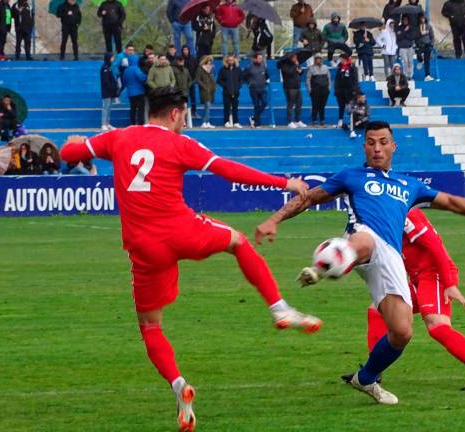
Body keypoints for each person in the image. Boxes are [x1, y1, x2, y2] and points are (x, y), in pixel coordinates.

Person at [60, 86, 321, 431]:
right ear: (174, 114)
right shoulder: (180, 144)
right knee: (238, 242)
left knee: (151, 326)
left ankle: (179, 386)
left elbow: (67, 152)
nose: (184, 121)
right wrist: (282, 181)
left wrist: (75, 140)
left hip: (143, 246)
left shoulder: (118, 138)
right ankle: (280, 309)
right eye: (184, 115)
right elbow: (228, 170)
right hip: (181, 231)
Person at [254, 120, 465, 405]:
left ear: (393, 146)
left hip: (392, 258)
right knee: (365, 241)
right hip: (363, 238)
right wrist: (273, 220)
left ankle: (366, 378)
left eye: (382, 142)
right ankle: (323, 266)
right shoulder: (352, 176)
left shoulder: (409, 185)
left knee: (402, 332)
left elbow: (451, 201)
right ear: (364, 146)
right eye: (371, 142)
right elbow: (308, 199)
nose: (376, 148)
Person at [344, 208, 465, 391]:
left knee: (436, 325)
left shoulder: (407, 214)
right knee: (377, 310)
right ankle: (373, 371)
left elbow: (435, 246)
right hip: (417, 278)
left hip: (435, 275)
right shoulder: (383, 216)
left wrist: (449, 284)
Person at [279, 53, 305, 128]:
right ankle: (290, 121)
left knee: (299, 103)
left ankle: (298, 120)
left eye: (296, 58)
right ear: (290, 58)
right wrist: (296, 66)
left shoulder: (296, 64)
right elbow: (289, 73)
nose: (296, 59)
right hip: (289, 87)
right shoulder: (284, 65)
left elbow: (300, 72)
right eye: (294, 58)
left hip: (297, 86)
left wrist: (300, 70)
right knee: (290, 104)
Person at [244, 52, 269, 128]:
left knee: (264, 102)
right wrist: (249, 83)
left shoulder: (263, 66)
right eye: (259, 58)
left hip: (262, 88)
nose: (260, 60)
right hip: (253, 89)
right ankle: (257, 123)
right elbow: (244, 76)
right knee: (256, 105)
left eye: (261, 58)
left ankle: (254, 118)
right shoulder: (249, 67)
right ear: (254, 59)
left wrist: (264, 81)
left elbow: (267, 75)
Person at [334, 53, 359, 128]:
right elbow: (337, 79)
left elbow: (355, 79)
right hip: (340, 91)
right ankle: (340, 120)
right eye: (340, 59)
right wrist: (336, 89)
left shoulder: (351, 67)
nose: (340, 60)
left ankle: (352, 121)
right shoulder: (339, 67)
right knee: (341, 106)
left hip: (349, 91)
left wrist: (355, 89)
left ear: (345, 59)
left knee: (350, 107)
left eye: (341, 58)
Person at [122, 53, 148, 125]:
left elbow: (124, 81)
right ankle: (140, 123)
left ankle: (132, 123)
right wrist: (146, 76)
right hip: (139, 91)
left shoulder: (126, 70)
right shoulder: (136, 68)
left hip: (130, 92)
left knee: (133, 108)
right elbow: (141, 77)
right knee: (140, 108)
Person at [217, 55, 242, 128]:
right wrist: (225, 86)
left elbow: (241, 79)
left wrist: (238, 86)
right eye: (229, 60)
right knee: (226, 107)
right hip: (226, 92)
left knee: (235, 108)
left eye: (232, 60)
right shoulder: (222, 69)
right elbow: (219, 80)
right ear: (227, 61)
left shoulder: (238, 69)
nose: (231, 61)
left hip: (236, 92)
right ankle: (226, 121)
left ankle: (236, 122)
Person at [306, 55, 330, 126]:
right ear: (315, 60)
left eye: (320, 59)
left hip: (325, 90)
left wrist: (328, 88)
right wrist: (310, 90)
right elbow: (308, 79)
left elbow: (329, 78)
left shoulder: (325, 67)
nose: (318, 60)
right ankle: (314, 120)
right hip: (315, 90)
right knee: (315, 106)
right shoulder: (311, 68)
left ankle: (322, 120)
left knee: (322, 106)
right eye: (317, 59)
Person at [196, 55, 216, 128]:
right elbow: (198, 79)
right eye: (209, 61)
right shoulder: (200, 69)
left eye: (211, 61)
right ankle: (204, 122)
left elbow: (213, 79)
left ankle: (207, 122)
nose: (210, 62)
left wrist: (214, 87)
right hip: (204, 91)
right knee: (207, 106)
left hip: (211, 90)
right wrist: (204, 86)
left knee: (208, 107)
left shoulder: (211, 69)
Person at [100, 52, 118, 131]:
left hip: (111, 92)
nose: (113, 59)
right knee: (106, 107)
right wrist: (111, 87)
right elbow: (105, 80)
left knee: (109, 108)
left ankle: (107, 123)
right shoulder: (104, 68)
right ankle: (103, 124)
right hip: (106, 92)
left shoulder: (109, 67)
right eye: (112, 57)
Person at [415, 15, 435, 81]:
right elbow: (415, 36)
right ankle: (421, 60)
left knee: (427, 61)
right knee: (418, 55)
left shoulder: (428, 26)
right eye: (421, 18)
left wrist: (431, 44)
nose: (422, 19)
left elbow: (432, 36)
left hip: (427, 45)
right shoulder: (417, 27)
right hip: (419, 45)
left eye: (423, 18)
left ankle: (427, 75)